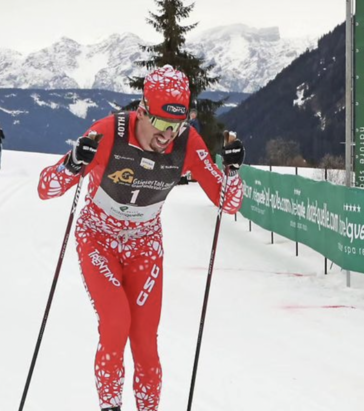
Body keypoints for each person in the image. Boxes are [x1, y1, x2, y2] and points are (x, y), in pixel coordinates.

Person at [37, 65, 245, 411]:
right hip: (98, 240)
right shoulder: (109, 133)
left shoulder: (187, 143)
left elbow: (229, 202)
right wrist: (73, 164)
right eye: (162, 124)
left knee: (146, 342)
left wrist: (234, 172)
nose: (168, 136)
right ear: (143, 111)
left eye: (178, 125)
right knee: (116, 323)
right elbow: (46, 188)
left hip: (144, 247)